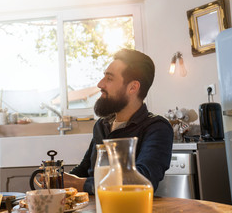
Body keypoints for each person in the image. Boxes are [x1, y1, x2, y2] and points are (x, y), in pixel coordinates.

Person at [63, 49, 173, 194]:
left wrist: (78, 184)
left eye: (109, 79)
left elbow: (142, 180)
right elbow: (85, 170)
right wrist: (57, 179)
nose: (100, 84)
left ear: (133, 87)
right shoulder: (102, 125)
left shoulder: (156, 128)